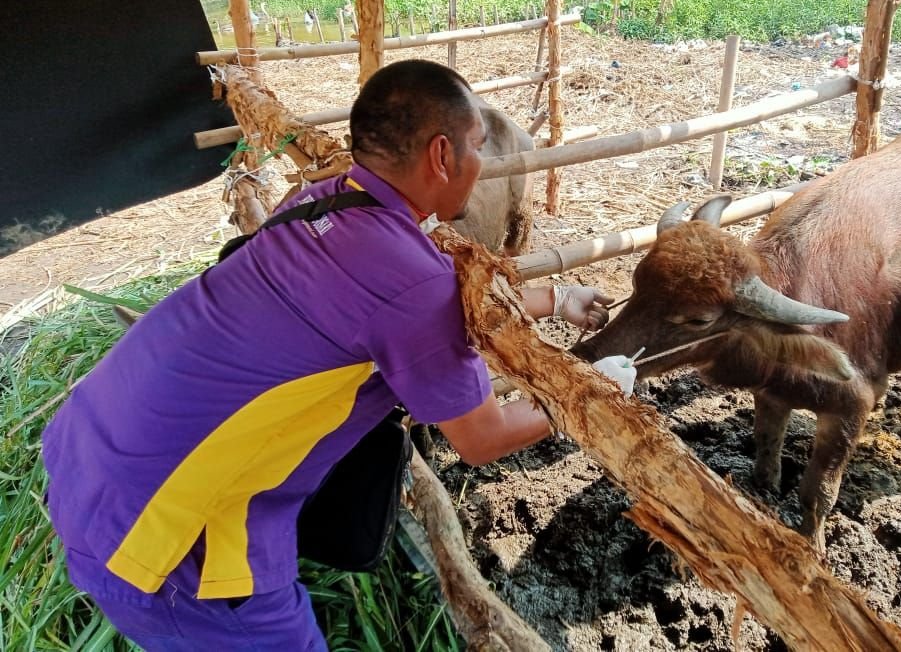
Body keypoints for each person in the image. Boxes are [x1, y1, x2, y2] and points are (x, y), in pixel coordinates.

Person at [42, 59, 636, 651]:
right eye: (479, 146)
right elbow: (482, 439)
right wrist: (590, 388)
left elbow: (384, 306)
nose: (484, 164)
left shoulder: (322, 202)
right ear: (441, 156)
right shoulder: (413, 287)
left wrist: (555, 298)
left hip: (88, 455)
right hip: (172, 544)